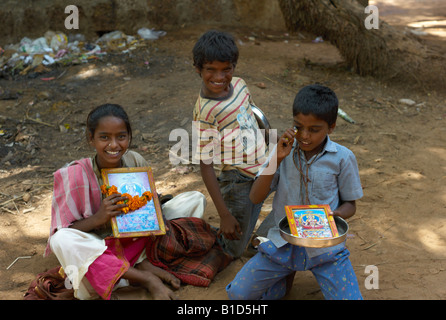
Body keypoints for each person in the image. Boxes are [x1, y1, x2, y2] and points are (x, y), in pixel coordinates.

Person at [44, 103, 225, 300]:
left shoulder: (135, 160)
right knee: (60, 240)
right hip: (100, 243)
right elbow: (67, 229)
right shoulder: (75, 174)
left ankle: (129, 270)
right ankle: (145, 277)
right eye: (104, 137)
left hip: (139, 239)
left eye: (121, 137)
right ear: (91, 139)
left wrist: (156, 216)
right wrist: (100, 217)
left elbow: (151, 201)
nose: (114, 145)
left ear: (129, 137)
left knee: (194, 200)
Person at [226, 84, 364, 300]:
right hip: (282, 243)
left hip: (324, 248)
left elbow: (350, 205)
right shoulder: (283, 152)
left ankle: (285, 278)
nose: (305, 136)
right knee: (238, 294)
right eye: (299, 127)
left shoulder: (343, 158)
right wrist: (277, 158)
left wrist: (332, 216)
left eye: (314, 129)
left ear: (332, 127)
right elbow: (255, 197)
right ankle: (284, 275)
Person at [192, 30, 268, 258]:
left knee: (291, 197)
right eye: (211, 70)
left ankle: (261, 239)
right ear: (198, 69)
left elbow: (253, 115)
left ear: (234, 67)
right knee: (232, 248)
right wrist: (224, 214)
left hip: (263, 167)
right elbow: (206, 166)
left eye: (226, 69)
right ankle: (196, 236)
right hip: (238, 181)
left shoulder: (240, 85)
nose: (219, 76)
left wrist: (269, 148)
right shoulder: (206, 112)